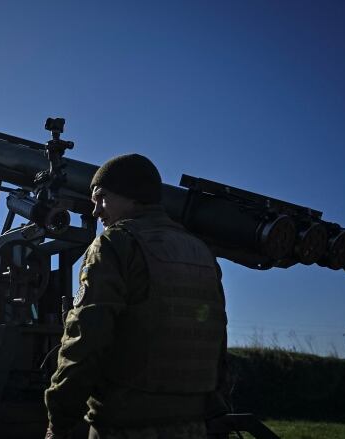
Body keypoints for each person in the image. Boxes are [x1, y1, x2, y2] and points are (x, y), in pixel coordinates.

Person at [44, 154, 228, 439]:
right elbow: (216, 338)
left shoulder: (114, 243)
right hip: (194, 423)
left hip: (125, 425)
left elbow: (86, 339)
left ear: (131, 196)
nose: (95, 210)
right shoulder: (200, 250)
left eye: (101, 197)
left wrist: (59, 418)